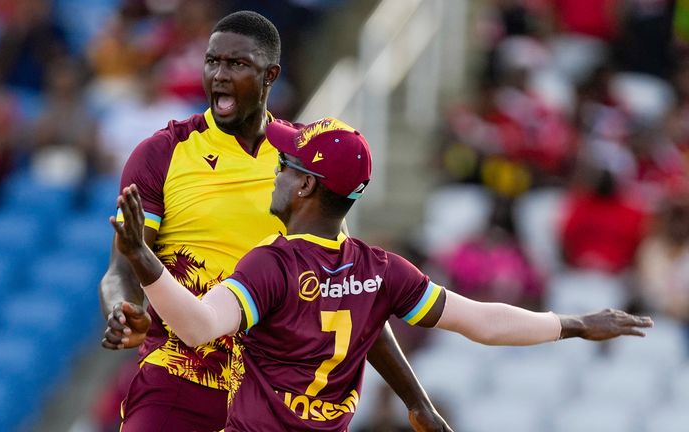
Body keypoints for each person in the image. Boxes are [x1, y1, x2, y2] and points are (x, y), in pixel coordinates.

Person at [111, 116, 653, 431]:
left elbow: (202, 327)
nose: (275, 171)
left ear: (305, 186)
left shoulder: (271, 264)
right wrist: (575, 323)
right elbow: (484, 322)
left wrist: (143, 257)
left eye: (287, 166)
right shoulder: (381, 270)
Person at [99, 10, 447, 432]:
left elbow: (348, 290)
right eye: (213, 62)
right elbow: (122, 268)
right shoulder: (162, 154)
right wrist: (124, 308)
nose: (220, 75)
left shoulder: (307, 158)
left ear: (271, 75)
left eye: (238, 64)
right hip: (180, 380)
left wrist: (416, 401)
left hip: (272, 399)